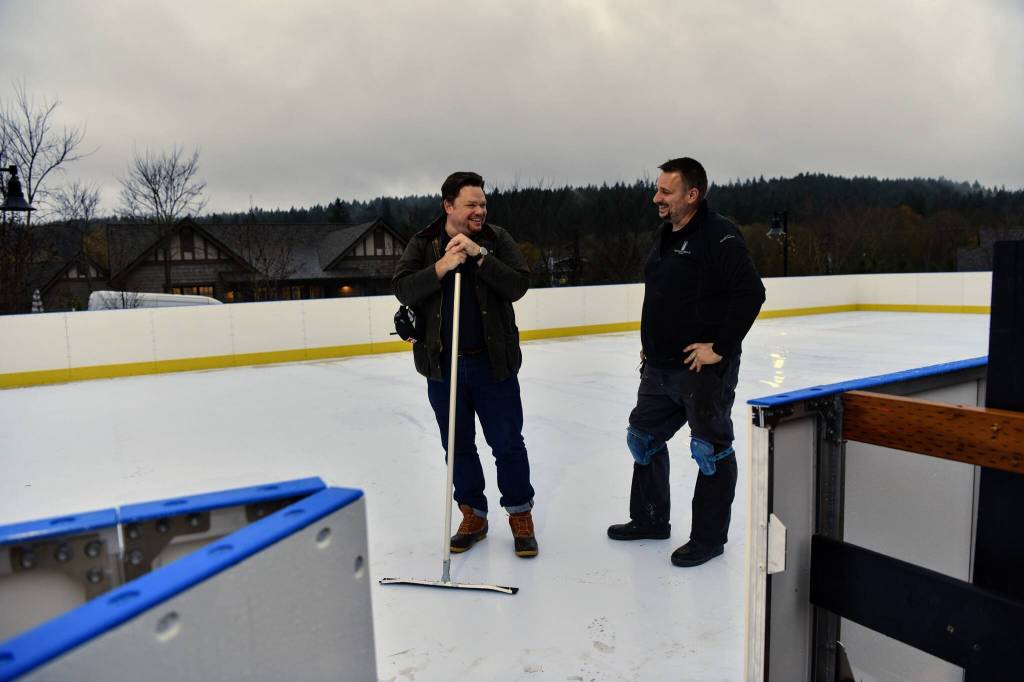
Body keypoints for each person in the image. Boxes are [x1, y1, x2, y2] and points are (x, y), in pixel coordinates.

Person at [607, 157, 765, 567]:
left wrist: (721, 346)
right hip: (658, 368)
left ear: (692, 195)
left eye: (665, 191)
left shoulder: (719, 235)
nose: (655, 197)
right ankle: (650, 519)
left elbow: (750, 293)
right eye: (658, 189)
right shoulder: (666, 234)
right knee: (642, 439)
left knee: (709, 449)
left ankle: (709, 539)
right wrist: (651, 343)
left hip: (702, 371)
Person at [392, 171, 538, 558]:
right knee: (456, 447)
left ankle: (520, 515)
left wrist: (479, 256)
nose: (479, 211)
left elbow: (518, 285)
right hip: (443, 367)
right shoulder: (424, 242)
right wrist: (442, 266)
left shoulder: (495, 239)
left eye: (483, 204)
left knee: (508, 444)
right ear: (449, 206)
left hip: (494, 366)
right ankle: (473, 514)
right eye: (471, 204)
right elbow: (403, 287)